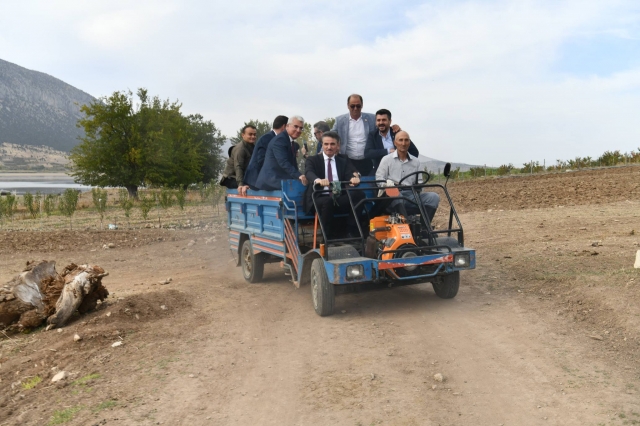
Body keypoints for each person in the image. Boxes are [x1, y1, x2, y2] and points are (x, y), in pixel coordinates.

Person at [304, 131, 364, 239]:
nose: (329, 147)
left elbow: (348, 175)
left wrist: (353, 179)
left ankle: (351, 231)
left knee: (359, 194)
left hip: (337, 198)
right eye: (326, 144)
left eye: (332, 144)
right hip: (319, 198)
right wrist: (318, 180)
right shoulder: (313, 160)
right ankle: (327, 238)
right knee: (327, 201)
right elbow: (309, 172)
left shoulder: (342, 161)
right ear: (322, 145)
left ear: (337, 145)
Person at [376, 130, 439, 222]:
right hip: (391, 197)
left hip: (411, 194)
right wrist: (388, 185)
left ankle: (424, 227)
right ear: (395, 143)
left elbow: (420, 182)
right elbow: (379, 179)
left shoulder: (416, 161)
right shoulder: (386, 160)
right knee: (395, 192)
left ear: (409, 143)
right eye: (400, 140)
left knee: (434, 197)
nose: (403, 143)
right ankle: (407, 223)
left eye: (406, 140)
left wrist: (419, 186)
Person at [256, 116, 309, 190]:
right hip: (272, 182)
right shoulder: (280, 140)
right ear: (287, 126)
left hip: (279, 180)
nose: (298, 130)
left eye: (301, 128)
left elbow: (292, 165)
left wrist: (300, 175)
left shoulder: (290, 141)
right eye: (296, 126)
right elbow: (283, 162)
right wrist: (298, 175)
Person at [331, 94, 377, 176]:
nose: (355, 109)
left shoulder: (372, 118)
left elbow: (382, 129)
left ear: (362, 105)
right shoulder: (340, 120)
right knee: (350, 185)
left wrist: (394, 128)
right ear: (348, 106)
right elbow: (330, 136)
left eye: (358, 106)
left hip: (367, 160)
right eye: (352, 106)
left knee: (368, 185)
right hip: (348, 161)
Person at [364, 109, 419, 175]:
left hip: (400, 170)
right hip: (380, 170)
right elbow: (367, 153)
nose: (381, 122)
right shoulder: (373, 135)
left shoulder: (397, 133)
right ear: (376, 122)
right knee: (367, 183)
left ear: (390, 121)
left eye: (384, 120)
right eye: (378, 120)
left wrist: (403, 161)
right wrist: (388, 151)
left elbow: (414, 152)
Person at [243, 115, 288, 190]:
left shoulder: (272, 138)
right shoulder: (267, 139)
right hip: (256, 181)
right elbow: (262, 161)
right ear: (284, 126)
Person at [220, 124, 257, 195]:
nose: (253, 136)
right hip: (231, 178)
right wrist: (240, 184)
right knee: (248, 187)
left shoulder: (253, 147)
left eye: (254, 135)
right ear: (243, 135)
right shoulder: (240, 149)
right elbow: (238, 166)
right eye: (250, 134)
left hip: (243, 177)